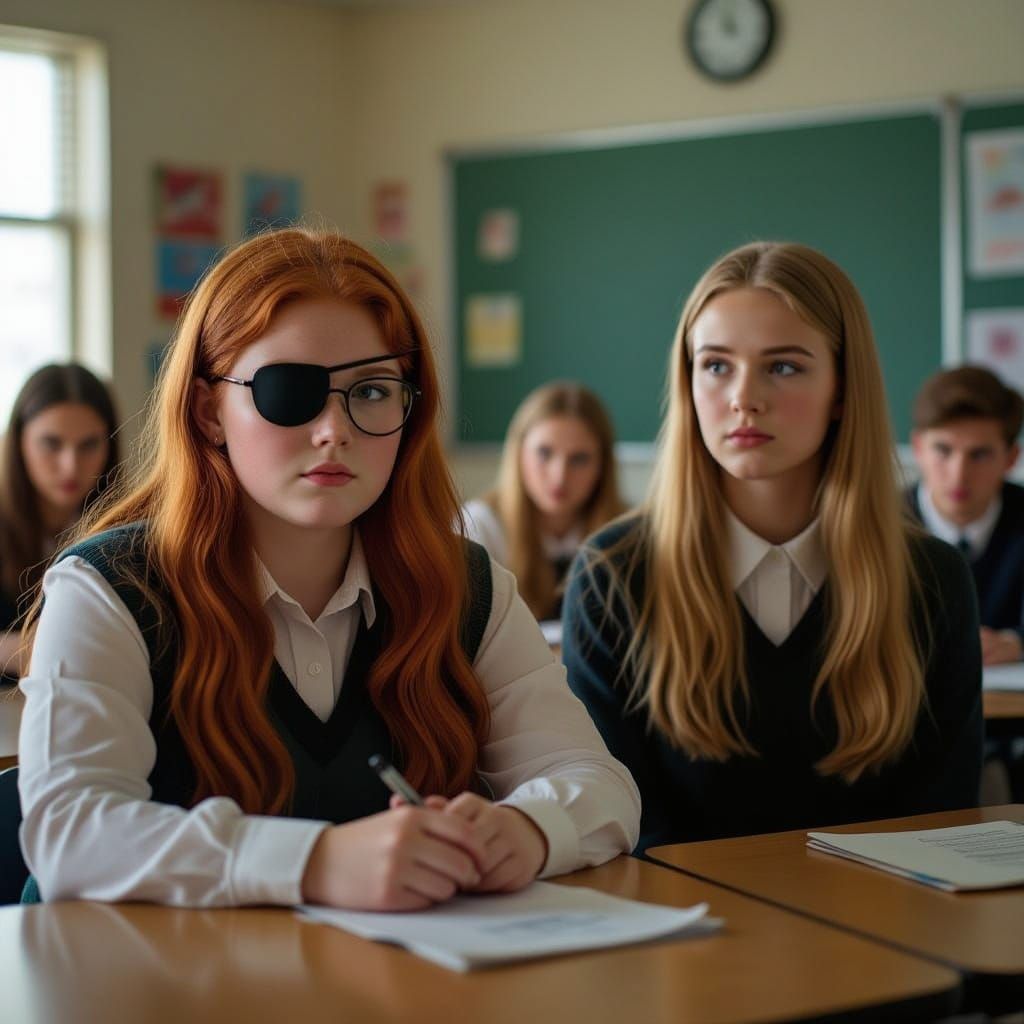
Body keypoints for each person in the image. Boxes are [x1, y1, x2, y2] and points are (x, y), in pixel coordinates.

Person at [17, 229, 639, 908]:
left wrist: (525, 830)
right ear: (208, 411)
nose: (334, 430)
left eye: (371, 391)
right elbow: (69, 833)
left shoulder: (467, 587)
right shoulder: (109, 589)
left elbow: (598, 783)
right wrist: (315, 862)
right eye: (291, 391)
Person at [563, 241, 983, 854]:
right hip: (687, 936)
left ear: (843, 389)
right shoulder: (614, 573)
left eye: (783, 366)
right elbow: (622, 826)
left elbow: (942, 824)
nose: (743, 397)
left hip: (883, 935)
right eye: (715, 365)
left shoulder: (932, 579)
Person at [462, 382, 626, 628]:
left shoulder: (626, 531)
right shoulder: (478, 527)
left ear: (603, 466)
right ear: (518, 454)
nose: (559, 475)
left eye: (579, 459)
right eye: (544, 453)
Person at [0, 364, 119, 684]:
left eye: (89, 445)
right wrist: (17, 648)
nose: (70, 466)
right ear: (18, 441)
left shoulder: (126, 530)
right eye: (51, 444)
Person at [909, 366, 1023, 665]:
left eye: (980, 454)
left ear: (1011, 458)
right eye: (943, 450)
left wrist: (1017, 643)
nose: (959, 475)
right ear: (919, 448)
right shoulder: (874, 520)